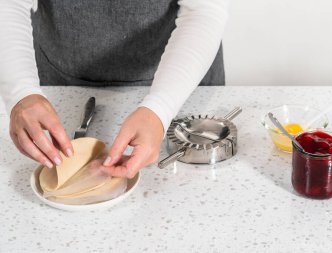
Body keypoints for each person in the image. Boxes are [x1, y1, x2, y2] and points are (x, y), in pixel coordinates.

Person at [0, 0, 229, 178]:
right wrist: (20, 92)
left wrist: (160, 108)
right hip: (61, 78)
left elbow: (204, 10)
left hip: (182, 79)